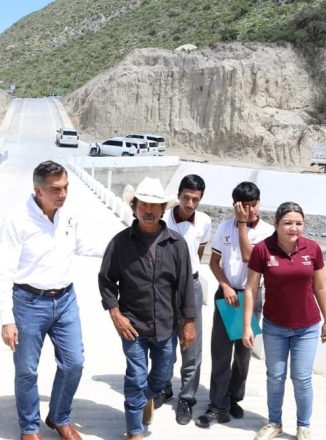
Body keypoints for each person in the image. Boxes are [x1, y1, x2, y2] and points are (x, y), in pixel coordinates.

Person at [0, 160, 98, 440]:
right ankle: (30, 427)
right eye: (56, 189)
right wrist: (7, 319)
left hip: (65, 300)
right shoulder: (17, 219)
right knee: (27, 370)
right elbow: (3, 271)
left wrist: (122, 243)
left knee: (74, 362)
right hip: (29, 303)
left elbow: (82, 245)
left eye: (65, 187)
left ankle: (58, 416)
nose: (63, 194)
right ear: (38, 190)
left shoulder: (69, 213)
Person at [98, 177, 198, 440]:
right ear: (134, 207)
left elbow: (186, 285)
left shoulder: (176, 244)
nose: (150, 210)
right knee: (135, 377)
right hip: (133, 325)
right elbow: (106, 280)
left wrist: (189, 322)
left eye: (155, 205)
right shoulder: (120, 243)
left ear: (163, 208)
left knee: (162, 375)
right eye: (144, 204)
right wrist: (115, 314)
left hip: (166, 324)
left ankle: (146, 399)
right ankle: (134, 431)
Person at [243, 202, 326, 440]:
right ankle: (274, 422)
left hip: (307, 327)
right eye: (288, 223)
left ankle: (304, 426)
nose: (294, 228)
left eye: (298, 223)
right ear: (276, 224)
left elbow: (321, 286)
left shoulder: (312, 249)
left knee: (301, 379)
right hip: (275, 326)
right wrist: (247, 325)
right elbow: (251, 288)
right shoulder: (263, 250)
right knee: (275, 376)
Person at [197, 181, 274, 428]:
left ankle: (233, 398)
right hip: (228, 294)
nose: (251, 210)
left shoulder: (267, 231)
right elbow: (214, 262)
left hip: (250, 296)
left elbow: (250, 258)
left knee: (242, 354)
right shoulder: (224, 227)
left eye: (254, 205)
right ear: (236, 205)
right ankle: (216, 404)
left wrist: (242, 225)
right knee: (220, 352)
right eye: (245, 206)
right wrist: (225, 285)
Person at [159, 174, 212, 425]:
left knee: (191, 346)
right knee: (163, 343)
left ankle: (187, 398)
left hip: (190, 285)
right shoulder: (161, 218)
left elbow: (198, 253)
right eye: (186, 197)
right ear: (178, 195)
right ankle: (163, 386)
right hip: (163, 287)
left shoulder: (204, 221)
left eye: (195, 199)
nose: (190, 204)